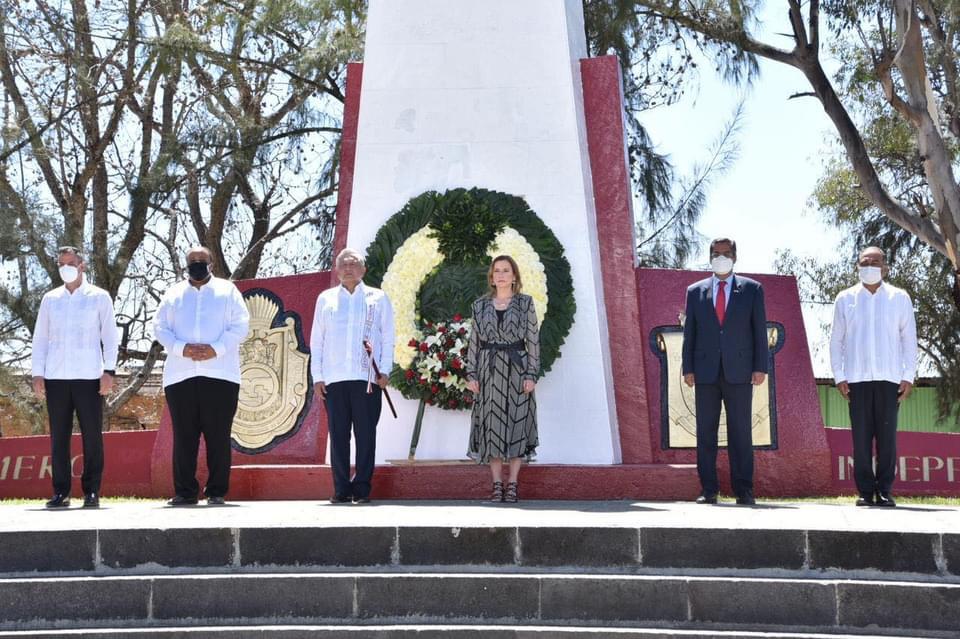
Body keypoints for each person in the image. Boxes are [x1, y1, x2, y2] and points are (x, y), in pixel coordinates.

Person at [153, 246, 250, 506]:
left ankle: (217, 491)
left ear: (211, 263)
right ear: (186, 264)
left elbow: (241, 325)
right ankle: (185, 492)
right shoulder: (173, 293)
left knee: (218, 435)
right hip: (180, 375)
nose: (197, 264)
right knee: (184, 436)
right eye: (192, 261)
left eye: (202, 260)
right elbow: (159, 327)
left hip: (221, 374)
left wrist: (214, 349)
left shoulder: (228, 291)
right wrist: (180, 348)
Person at [682, 238, 768, 506]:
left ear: (735, 256)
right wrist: (688, 368)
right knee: (706, 433)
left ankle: (744, 490)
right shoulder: (695, 291)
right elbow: (690, 333)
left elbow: (758, 331)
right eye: (716, 253)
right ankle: (708, 490)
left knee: (740, 432)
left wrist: (760, 366)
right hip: (705, 372)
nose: (721, 257)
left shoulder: (753, 290)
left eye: (726, 253)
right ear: (709, 256)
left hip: (740, 372)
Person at [31, 246, 118, 509]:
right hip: (56, 377)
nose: (64, 268)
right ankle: (61, 493)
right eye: (61, 263)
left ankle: (91, 491)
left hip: (89, 376)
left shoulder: (99, 297)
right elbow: (40, 339)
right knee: (59, 437)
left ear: (82, 265)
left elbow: (110, 337)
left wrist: (109, 371)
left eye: (69, 263)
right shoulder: (50, 299)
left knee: (92, 436)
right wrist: (37, 373)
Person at [829, 246, 917, 507]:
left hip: (890, 379)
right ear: (857, 266)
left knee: (888, 439)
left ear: (885, 267)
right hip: (856, 380)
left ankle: (885, 490)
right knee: (861, 439)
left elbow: (909, 339)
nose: (870, 266)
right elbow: (836, 340)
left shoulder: (899, 298)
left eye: (876, 261)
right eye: (865, 262)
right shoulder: (844, 299)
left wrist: (908, 376)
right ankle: (866, 491)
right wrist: (839, 376)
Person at [310, 248, 395, 504]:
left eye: (354, 263)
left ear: (363, 269)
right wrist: (318, 376)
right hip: (334, 380)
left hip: (367, 378)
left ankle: (362, 489)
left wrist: (386, 370)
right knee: (338, 436)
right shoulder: (325, 299)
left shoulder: (378, 298)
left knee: (366, 435)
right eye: (343, 264)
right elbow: (317, 340)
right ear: (336, 270)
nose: (348, 268)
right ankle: (341, 489)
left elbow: (388, 337)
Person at [465, 255, 540, 503]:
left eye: (506, 270)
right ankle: (497, 484)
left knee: (518, 422)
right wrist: (471, 373)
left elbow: (533, 341)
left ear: (514, 276)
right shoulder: (479, 306)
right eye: (497, 271)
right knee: (492, 425)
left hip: (518, 368)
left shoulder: (525, 303)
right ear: (492, 276)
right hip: (488, 369)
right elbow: (474, 342)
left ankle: (513, 484)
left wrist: (531, 374)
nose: (501, 275)